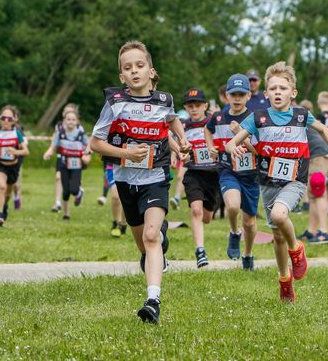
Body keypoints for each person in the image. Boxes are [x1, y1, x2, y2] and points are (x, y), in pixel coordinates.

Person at [225, 61, 328, 303]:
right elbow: (234, 141)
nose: (278, 92)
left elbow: (324, 130)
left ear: (293, 93)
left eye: (283, 88)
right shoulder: (258, 118)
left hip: (294, 180)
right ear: (266, 93)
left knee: (281, 217)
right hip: (268, 181)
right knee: (277, 235)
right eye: (273, 88)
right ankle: (285, 281)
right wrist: (232, 147)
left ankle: (297, 250)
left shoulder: (301, 115)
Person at [90, 41, 190, 324]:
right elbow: (95, 143)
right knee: (144, 245)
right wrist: (126, 153)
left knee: (149, 236)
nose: (134, 71)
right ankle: (159, 242)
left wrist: (181, 140)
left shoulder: (164, 101)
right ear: (122, 76)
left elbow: (171, 120)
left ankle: (153, 301)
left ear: (150, 70)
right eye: (127, 68)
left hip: (156, 177)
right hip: (125, 180)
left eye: (139, 65)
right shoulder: (114, 103)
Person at [205, 74, 259, 270]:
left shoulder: (254, 118)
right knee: (233, 206)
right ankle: (234, 233)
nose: (236, 98)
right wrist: (210, 147)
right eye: (233, 94)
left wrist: (240, 135)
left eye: (241, 94)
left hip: (250, 173)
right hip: (227, 169)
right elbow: (207, 130)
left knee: (250, 222)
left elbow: (258, 151)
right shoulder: (219, 117)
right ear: (226, 96)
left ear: (248, 97)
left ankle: (248, 254)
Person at [181, 88, 220, 268]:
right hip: (194, 173)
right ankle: (200, 251)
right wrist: (182, 155)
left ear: (205, 106)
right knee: (196, 210)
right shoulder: (183, 127)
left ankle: (208, 213)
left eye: (198, 105)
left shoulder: (213, 123)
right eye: (190, 106)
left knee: (206, 217)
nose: (194, 109)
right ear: (186, 108)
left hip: (213, 175)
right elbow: (179, 150)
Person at [0, 105, 30, 226]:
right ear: (0, 118)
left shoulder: (17, 134)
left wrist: (15, 152)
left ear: (14, 120)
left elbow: (26, 151)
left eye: (9, 119)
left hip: (13, 166)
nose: (6, 121)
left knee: (8, 193)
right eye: (4, 118)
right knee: (2, 186)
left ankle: (4, 206)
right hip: (0, 164)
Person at [296, 100, 328, 244]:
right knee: (312, 195)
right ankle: (312, 231)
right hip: (315, 156)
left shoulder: (294, 115)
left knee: (318, 193)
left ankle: (325, 232)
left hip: (319, 155)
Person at [43, 110, 90, 220]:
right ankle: (66, 213)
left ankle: (79, 193)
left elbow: (89, 147)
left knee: (73, 189)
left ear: (77, 121)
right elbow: (53, 147)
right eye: (68, 119)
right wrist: (48, 153)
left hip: (76, 165)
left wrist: (87, 156)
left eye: (73, 120)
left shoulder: (80, 135)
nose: (70, 122)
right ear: (64, 121)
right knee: (66, 191)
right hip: (63, 164)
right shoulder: (60, 133)